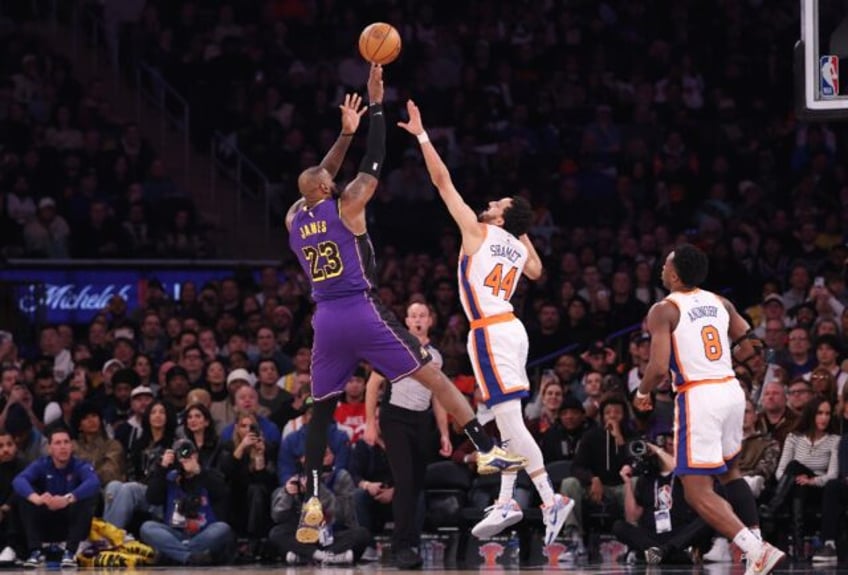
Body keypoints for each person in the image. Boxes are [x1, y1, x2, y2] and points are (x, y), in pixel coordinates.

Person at [285, 66, 525, 543]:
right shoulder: (347, 206)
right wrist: (374, 109)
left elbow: (315, 178)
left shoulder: (294, 219)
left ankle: (312, 499)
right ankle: (484, 448)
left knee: (320, 410)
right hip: (360, 309)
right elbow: (373, 160)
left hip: (326, 320)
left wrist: (340, 135)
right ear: (330, 191)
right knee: (430, 373)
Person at [398, 99, 573, 546]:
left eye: (497, 203)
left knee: (510, 422)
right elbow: (536, 271)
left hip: (492, 331)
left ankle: (551, 500)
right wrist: (519, 227)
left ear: (498, 217)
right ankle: (507, 497)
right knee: (494, 415)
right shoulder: (517, 248)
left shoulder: (477, 232)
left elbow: (442, 181)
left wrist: (421, 135)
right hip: (509, 328)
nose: (489, 203)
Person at [634, 243, 785, 574]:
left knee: (694, 490)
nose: (661, 269)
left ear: (674, 274)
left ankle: (756, 550)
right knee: (730, 472)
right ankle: (755, 549)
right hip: (731, 389)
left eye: (664, 265)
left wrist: (642, 391)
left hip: (699, 395)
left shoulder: (663, 309)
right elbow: (750, 342)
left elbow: (658, 367)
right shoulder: (722, 302)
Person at [363, 300, 452, 569]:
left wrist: (445, 433)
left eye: (422, 315)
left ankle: (411, 541)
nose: (417, 319)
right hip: (395, 418)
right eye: (412, 315)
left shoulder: (436, 356)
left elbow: (439, 396)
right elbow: (372, 386)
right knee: (403, 480)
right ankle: (400, 546)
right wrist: (370, 422)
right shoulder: (394, 348)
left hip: (421, 420)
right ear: (406, 320)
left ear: (430, 321)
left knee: (415, 484)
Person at [12, 426, 100, 568]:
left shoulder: (80, 465)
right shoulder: (42, 464)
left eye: (66, 442)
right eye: (58, 443)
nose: (63, 447)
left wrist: (68, 499)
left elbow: (94, 482)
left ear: (71, 446)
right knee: (24, 495)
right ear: (49, 448)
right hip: (46, 522)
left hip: (71, 523)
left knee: (86, 496)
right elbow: (19, 480)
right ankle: (35, 551)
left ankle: (70, 552)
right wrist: (37, 498)